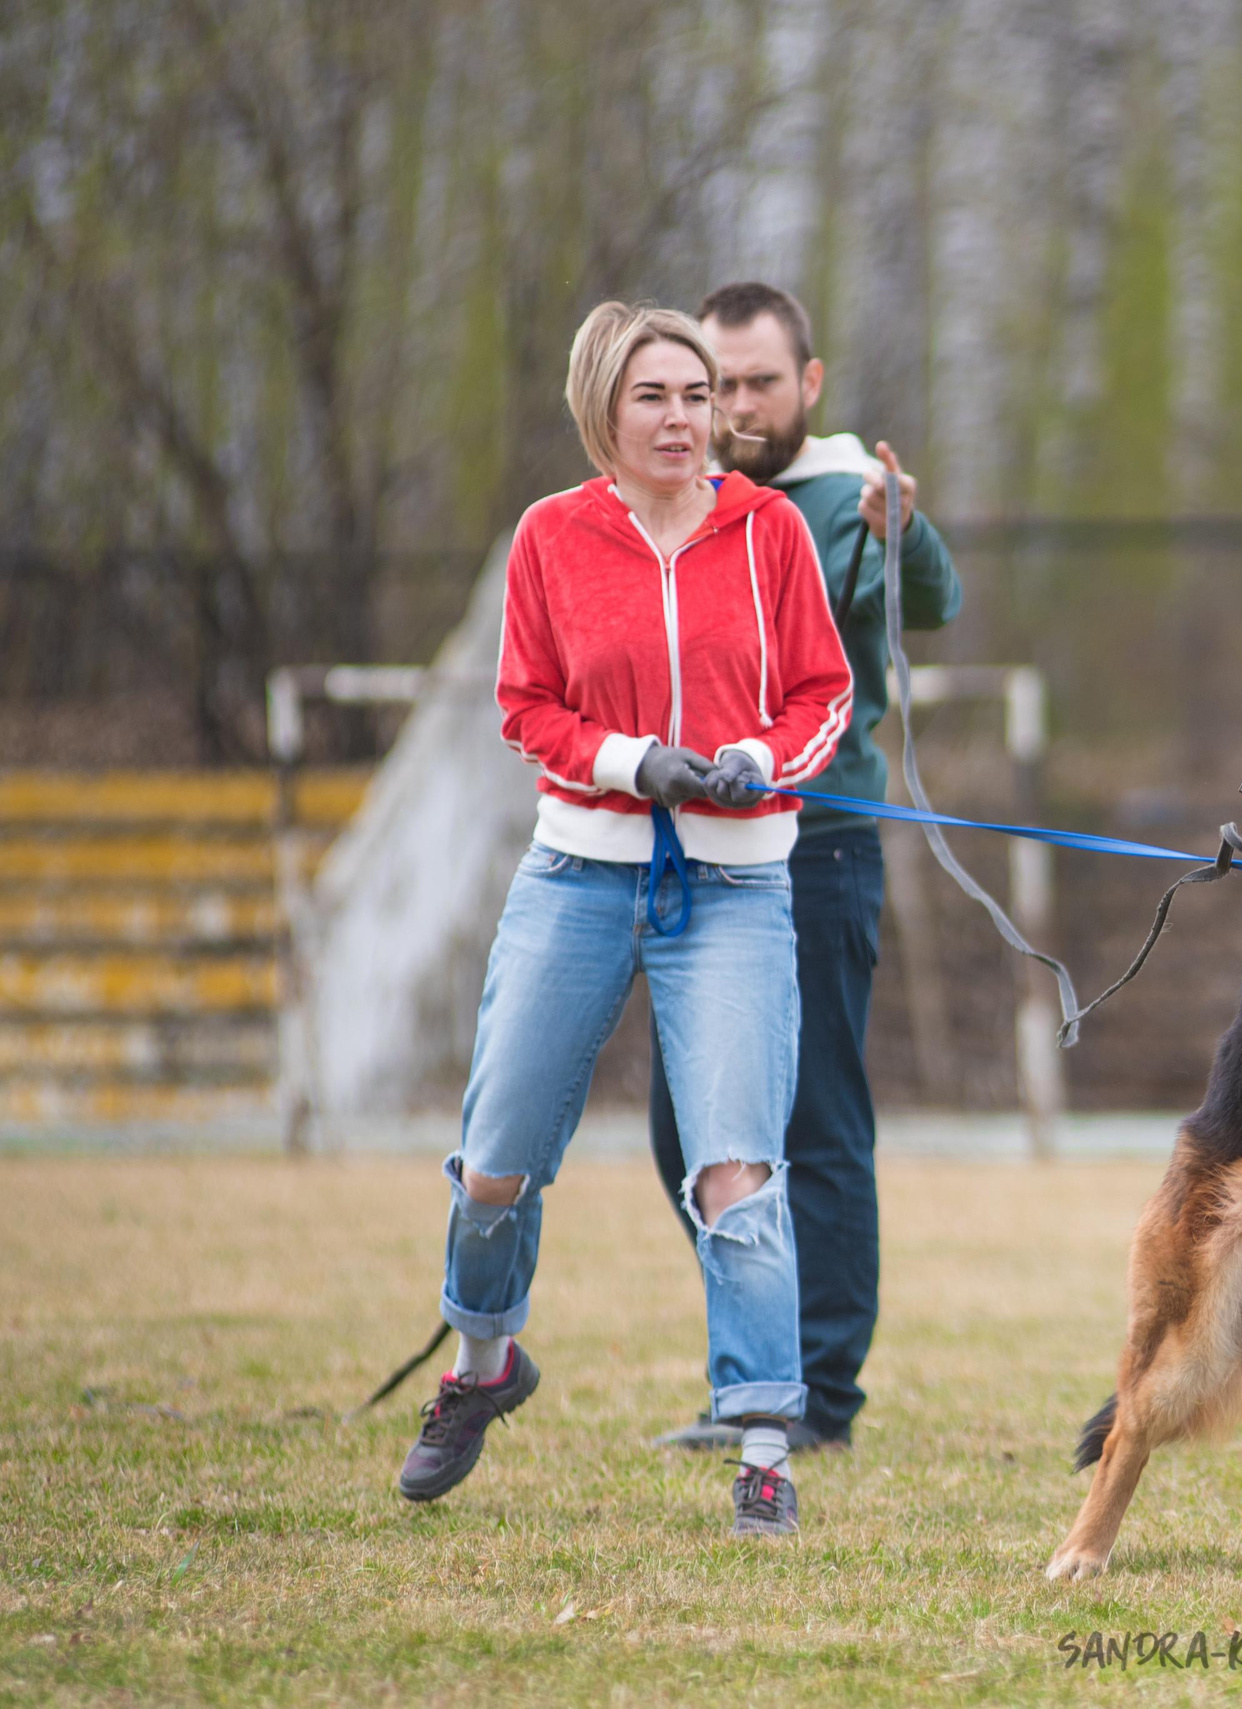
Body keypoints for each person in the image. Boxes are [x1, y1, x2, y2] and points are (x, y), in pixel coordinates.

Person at [395, 301, 854, 1537]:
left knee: (737, 1167)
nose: (683, 420)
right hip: (578, 874)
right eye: (654, 396)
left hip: (738, 887)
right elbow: (526, 706)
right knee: (495, 1160)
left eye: (698, 396)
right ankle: (483, 1362)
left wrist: (759, 754)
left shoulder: (769, 533)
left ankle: (764, 1434)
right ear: (603, 406)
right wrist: (628, 760)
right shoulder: (550, 537)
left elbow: (825, 693)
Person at [646, 282, 962, 1457]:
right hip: (689, 853)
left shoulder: (844, 494)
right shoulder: (676, 498)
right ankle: (760, 1360)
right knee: (685, 1133)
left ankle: (813, 1394)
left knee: (815, 1123)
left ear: (808, 384)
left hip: (819, 849)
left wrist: (904, 533)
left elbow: (933, 601)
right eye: (716, 382)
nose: (735, 405)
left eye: (759, 381)